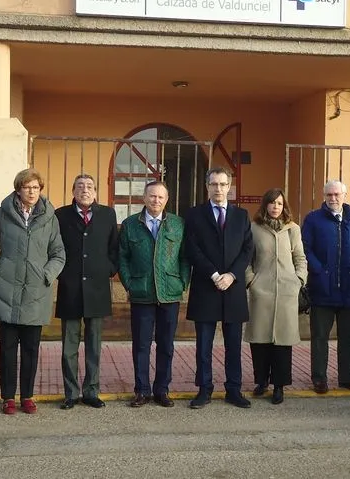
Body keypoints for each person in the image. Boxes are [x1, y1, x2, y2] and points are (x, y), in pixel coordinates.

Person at [0, 168, 66, 415]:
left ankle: (27, 396)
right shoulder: (3, 214)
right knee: (7, 349)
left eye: (36, 187)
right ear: (18, 189)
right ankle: (7, 397)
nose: (32, 191)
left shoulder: (50, 217)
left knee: (30, 349)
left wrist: (46, 275)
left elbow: (59, 253)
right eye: (27, 187)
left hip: (36, 294)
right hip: (7, 293)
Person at [184, 166, 254, 409]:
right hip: (206, 286)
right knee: (204, 345)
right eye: (214, 184)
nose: (219, 189)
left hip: (233, 289)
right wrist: (214, 274)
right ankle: (204, 390)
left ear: (229, 187)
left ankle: (233, 389)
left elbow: (247, 250)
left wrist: (232, 275)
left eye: (223, 184)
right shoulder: (193, 215)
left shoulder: (242, 216)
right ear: (207, 187)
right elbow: (192, 249)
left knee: (234, 345)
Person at [119, 181, 190, 408]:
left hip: (170, 293)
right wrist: (129, 283)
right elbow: (122, 257)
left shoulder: (178, 225)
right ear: (144, 198)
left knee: (166, 345)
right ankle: (141, 390)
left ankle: (162, 390)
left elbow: (185, 258)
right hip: (142, 294)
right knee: (141, 345)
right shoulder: (130, 225)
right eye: (152, 196)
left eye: (160, 197)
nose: (156, 201)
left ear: (166, 200)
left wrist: (181, 283)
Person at [55, 174, 119, 410]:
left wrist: (109, 270)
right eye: (80, 186)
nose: (85, 190)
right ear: (73, 190)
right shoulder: (60, 215)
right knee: (69, 347)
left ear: (96, 191)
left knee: (94, 345)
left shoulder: (108, 214)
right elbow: (54, 248)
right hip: (70, 289)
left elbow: (115, 247)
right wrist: (62, 274)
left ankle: (91, 391)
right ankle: (71, 393)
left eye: (90, 186)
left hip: (97, 289)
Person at [301, 180, 350, 394]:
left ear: (344, 195)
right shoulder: (313, 220)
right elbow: (305, 247)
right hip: (322, 289)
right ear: (324, 196)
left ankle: (347, 377)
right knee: (320, 336)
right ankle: (319, 379)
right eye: (329, 194)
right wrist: (318, 270)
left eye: (337, 194)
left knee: (349, 337)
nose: (333, 198)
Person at [245, 188, 307, 404]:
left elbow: (300, 257)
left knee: (282, 341)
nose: (275, 207)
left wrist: (299, 279)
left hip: (286, 292)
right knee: (260, 340)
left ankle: (279, 385)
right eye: (272, 203)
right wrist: (251, 281)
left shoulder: (293, 229)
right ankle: (261, 381)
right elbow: (247, 259)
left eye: (279, 203)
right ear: (265, 205)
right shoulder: (254, 228)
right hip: (261, 291)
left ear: (284, 206)